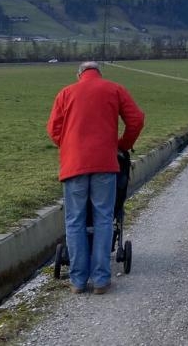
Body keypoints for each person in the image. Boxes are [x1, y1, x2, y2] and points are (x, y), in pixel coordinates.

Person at [47, 61, 145, 295]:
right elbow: (136, 120)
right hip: (105, 164)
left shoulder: (65, 93)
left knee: (75, 221)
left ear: (79, 74)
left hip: (74, 166)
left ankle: (78, 280)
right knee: (103, 219)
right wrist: (122, 145)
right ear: (99, 73)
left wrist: (70, 146)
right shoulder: (114, 89)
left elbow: (53, 129)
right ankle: (101, 279)